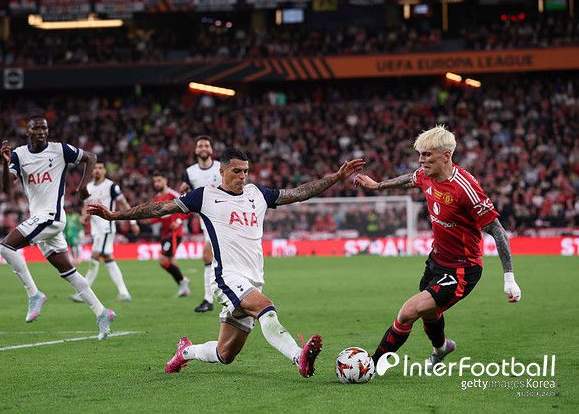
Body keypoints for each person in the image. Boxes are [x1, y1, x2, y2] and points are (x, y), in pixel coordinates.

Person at [87, 148, 366, 378]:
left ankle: (185, 352)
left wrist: (335, 177)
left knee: (225, 354)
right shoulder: (205, 196)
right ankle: (299, 357)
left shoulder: (258, 194)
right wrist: (115, 216)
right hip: (226, 277)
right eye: (236, 171)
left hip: (253, 278)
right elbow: (160, 207)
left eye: (245, 171)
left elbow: (299, 193)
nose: (242, 176)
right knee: (265, 307)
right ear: (222, 171)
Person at [353, 125, 522, 370]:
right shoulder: (426, 175)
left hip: (462, 269)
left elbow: (498, 231)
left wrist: (509, 278)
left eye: (427, 155)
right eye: (420, 155)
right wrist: (379, 186)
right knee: (429, 313)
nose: (421, 160)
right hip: (436, 261)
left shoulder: (466, 189)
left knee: (409, 311)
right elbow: (409, 179)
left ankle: (370, 365)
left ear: (446, 156)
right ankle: (442, 348)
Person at [0, 115, 115, 340]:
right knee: (68, 272)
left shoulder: (59, 150)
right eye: (36, 129)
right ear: (28, 132)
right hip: (41, 219)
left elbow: (90, 157)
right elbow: (6, 186)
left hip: (51, 217)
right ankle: (102, 312)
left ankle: (34, 294)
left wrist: (82, 187)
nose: (42, 132)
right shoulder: (19, 155)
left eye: (44, 128)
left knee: (5, 247)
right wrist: (5, 163)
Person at [71, 159, 140, 303]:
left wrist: (133, 222)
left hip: (106, 227)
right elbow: (86, 207)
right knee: (108, 259)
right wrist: (83, 217)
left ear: (104, 171)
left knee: (94, 257)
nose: (97, 170)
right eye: (95, 168)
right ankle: (124, 293)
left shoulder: (111, 186)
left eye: (100, 168)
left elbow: (123, 203)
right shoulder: (88, 187)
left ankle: (83, 293)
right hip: (96, 229)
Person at [179, 135, 221, 313]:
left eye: (206, 145)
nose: (203, 148)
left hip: (224, 217)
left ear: (211, 149)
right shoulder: (190, 172)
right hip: (206, 219)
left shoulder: (221, 167)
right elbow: (185, 193)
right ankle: (209, 298)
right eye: (200, 146)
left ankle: (212, 298)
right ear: (196, 150)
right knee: (209, 256)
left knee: (214, 256)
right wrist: (185, 192)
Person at [149, 172, 191, 297]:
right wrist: (149, 221)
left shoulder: (173, 195)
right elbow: (160, 216)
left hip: (174, 233)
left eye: (159, 180)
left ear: (165, 180)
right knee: (171, 260)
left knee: (163, 260)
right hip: (165, 233)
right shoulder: (157, 198)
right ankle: (183, 286)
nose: (157, 184)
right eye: (155, 181)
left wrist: (178, 221)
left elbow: (189, 208)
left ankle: (183, 281)